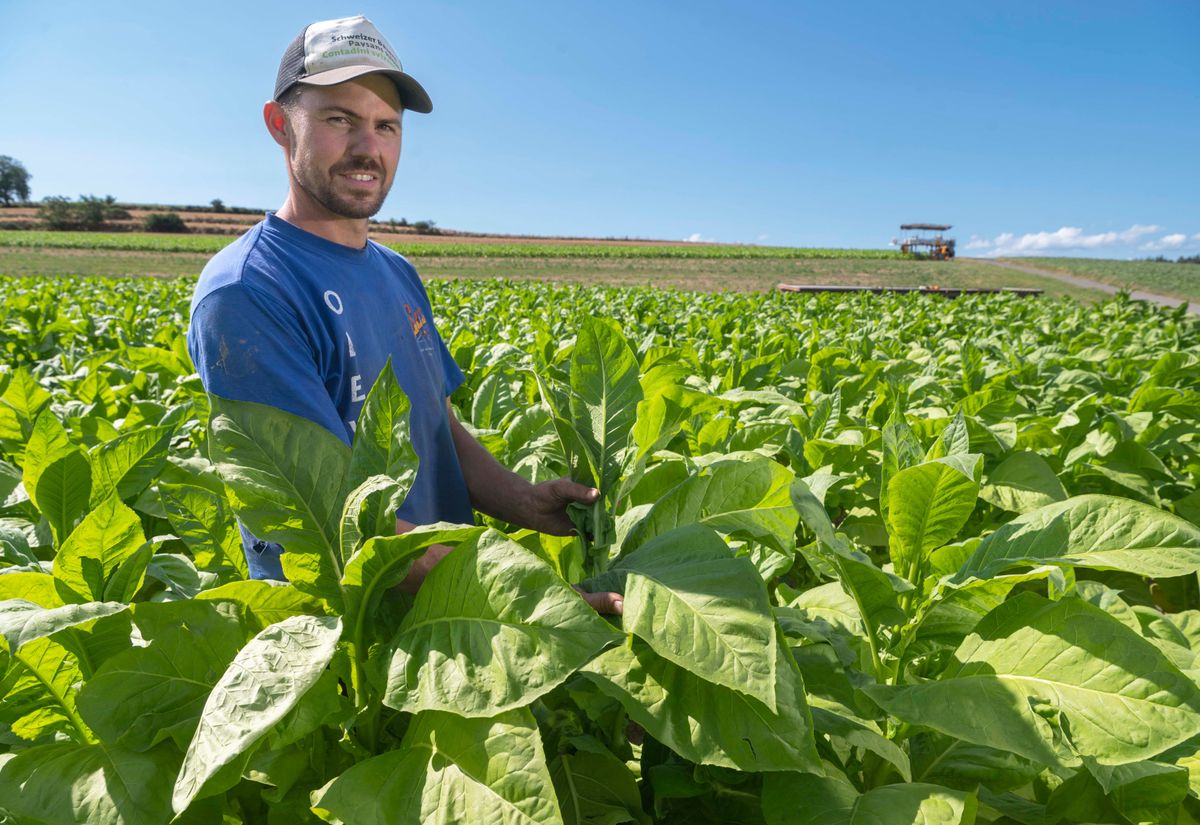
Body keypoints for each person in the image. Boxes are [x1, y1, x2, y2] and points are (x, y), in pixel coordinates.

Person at [187, 15, 620, 613]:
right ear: (280, 125)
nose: (368, 148)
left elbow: (438, 429)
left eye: (386, 126)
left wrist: (523, 501)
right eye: (340, 119)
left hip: (454, 611)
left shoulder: (396, 272)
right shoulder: (249, 290)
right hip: (346, 632)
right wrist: (534, 602)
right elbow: (322, 515)